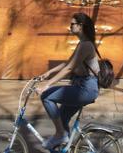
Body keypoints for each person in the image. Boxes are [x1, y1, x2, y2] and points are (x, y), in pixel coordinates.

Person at [35, 12, 100, 150]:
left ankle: (60, 135)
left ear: (80, 26)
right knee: (63, 117)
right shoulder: (82, 44)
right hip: (82, 87)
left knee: (46, 96)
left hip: (85, 89)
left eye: (72, 24)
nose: (70, 27)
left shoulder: (86, 45)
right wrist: (48, 73)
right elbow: (68, 63)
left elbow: (69, 68)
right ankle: (66, 145)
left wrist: (46, 85)